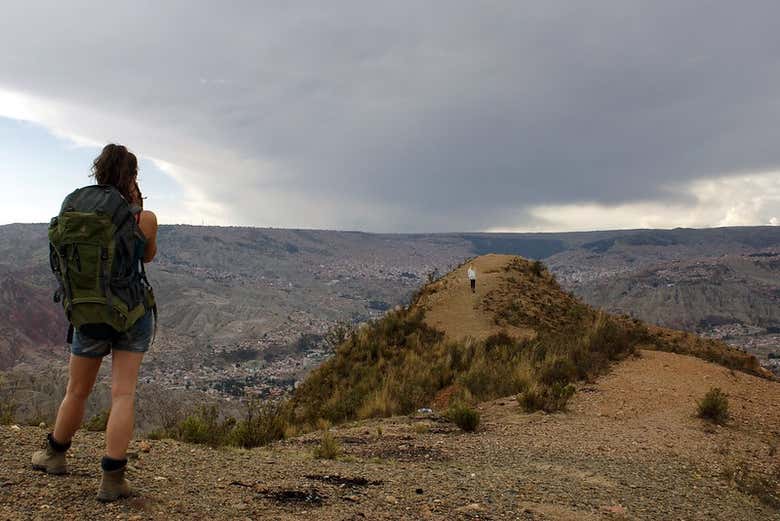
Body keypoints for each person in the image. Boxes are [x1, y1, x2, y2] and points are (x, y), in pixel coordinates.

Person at [31, 144, 158, 502]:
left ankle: (55, 454)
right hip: (131, 314)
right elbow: (147, 255)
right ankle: (112, 479)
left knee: (77, 390)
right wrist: (137, 209)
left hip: (88, 312)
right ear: (132, 177)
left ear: (98, 172)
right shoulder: (143, 218)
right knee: (123, 393)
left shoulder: (75, 208)